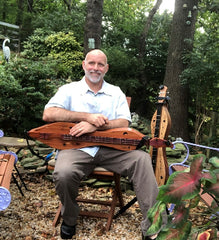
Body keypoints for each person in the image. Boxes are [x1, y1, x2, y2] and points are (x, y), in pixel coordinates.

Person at [43, 49, 166, 239]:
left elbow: (124, 122)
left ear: (106, 68)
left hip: (111, 148)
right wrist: (86, 117)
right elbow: (48, 114)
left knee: (141, 159)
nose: (95, 68)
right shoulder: (69, 90)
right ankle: (69, 216)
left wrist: (96, 126)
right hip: (76, 147)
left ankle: (154, 227)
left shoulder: (115, 92)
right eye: (91, 63)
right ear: (84, 65)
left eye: (100, 64)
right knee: (63, 173)